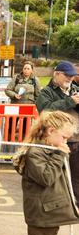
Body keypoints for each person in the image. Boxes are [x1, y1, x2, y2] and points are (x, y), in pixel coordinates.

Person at [13, 111, 79, 235]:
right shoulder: (36, 152)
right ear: (51, 131)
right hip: (41, 210)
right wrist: (60, 155)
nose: (66, 141)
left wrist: (59, 152)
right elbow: (46, 178)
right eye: (64, 137)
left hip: (53, 208)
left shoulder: (53, 149)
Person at [36, 60, 79, 205]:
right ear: (57, 74)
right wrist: (70, 102)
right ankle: (59, 204)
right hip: (56, 142)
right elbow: (45, 110)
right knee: (57, 175)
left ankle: (75, 204)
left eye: (72, 76)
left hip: (76, 139)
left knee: (76, 176)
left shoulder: (75, 89)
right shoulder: (46, 92)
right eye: (67, 75)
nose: (70, 79)